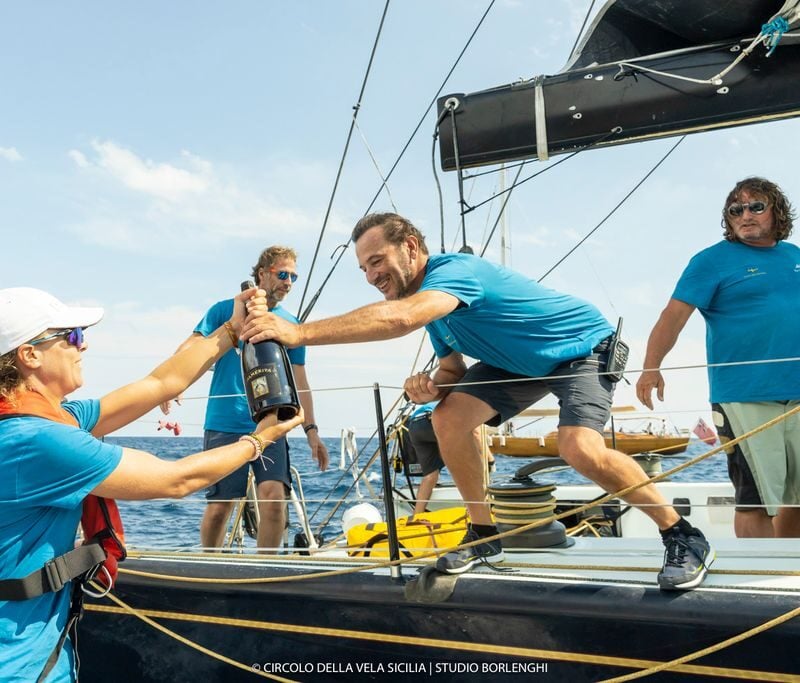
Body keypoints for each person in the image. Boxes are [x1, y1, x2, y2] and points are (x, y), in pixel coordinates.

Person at [240, 212, 714, 590]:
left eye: (377, 260)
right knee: (447, 418)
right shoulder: (433, 310)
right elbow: (451, 370)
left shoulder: (454, 273)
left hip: (580, 348)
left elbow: (400, 318)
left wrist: (298, 332)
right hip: (516, 363)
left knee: (578, 446)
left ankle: (682, 535)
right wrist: (430, 387)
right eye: (363, 268)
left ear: (410, 247)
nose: (371, 275)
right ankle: (485, 536)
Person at [0, 286, 303, 683]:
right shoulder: (36, 441)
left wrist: (231, 329)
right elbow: (176, 480)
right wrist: (259, 440)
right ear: (30, 355)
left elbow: (162, 382)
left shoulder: (39, 423)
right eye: (72, 336)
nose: (83, 345)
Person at [636, 176, 800, 538]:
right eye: (735, 210)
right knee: (754, 500)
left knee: (796, 498)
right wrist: (651, 368)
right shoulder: (711, 261)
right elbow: (672, 317)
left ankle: (790, 567)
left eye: (756, 207)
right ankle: (758, 574)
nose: (745, 215)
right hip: (745, 397)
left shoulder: (795, 256)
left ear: (777, 211)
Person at [162, 246, 328, 550]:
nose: (288, 282)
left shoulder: (291, 325)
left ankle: (265, 568)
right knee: (220, 507)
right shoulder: (224, 310)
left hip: (270, 424)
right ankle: (211, 565)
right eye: (282, 274)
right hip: (224, 422)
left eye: (293, 276)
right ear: (262, 273)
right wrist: (171, 383)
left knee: (274, 500)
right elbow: (192, 345)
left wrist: (312, 431)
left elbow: (300, 381)